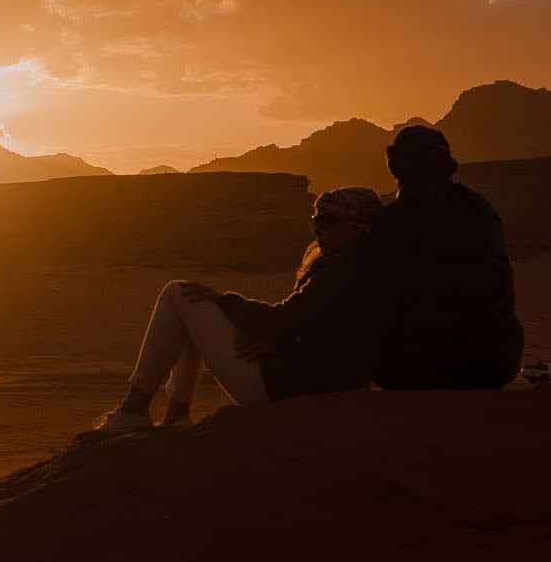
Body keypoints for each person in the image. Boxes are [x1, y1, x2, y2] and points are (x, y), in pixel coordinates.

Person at [90, 185, 383, 433]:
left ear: (356, 224)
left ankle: (135, 410)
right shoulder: (366, 272)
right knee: (192, 310)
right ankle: (175, 416)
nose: (317, 228)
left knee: (179, 294)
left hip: (280, 385)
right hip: (300, 379)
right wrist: (282, 343)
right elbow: (326, 330)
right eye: (316, 219)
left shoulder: (341, 272)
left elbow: (282, 321)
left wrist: (225, 302)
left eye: (328, 220)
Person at [356, 124, 524, 390]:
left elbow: (377, 296)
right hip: (497, 363)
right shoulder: (480, 209)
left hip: (420, 368)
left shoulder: (397, 220)